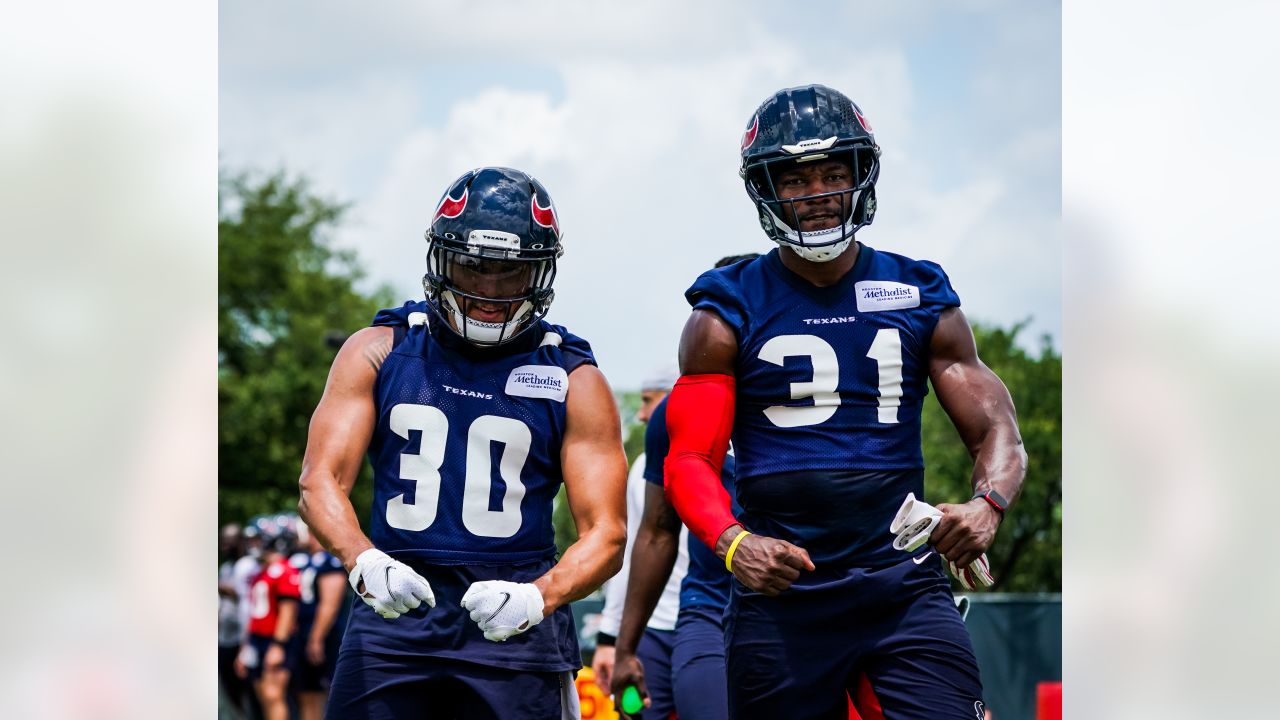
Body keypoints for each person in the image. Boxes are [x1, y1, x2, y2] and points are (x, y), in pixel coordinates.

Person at [663, 85, 1027, 719]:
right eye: (798, 180)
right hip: (785, 594)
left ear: (863, 176)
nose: (819, 194)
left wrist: (987, 506)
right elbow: (689, 458)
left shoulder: (916, 290)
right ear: (766, 189)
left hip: (902, 584)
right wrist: (730, 542)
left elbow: (998, 429)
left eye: (835, 174)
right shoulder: (726, 310)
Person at [297, 166, 628, 719]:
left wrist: (537, 598)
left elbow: (607, 534)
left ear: (540, 273)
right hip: (393, 615)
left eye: (510, 272)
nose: (489, 290)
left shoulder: (572, 377)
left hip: (515, 623)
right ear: (441, 260)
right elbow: (318, 481)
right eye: (473, 267)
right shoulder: (380, 350)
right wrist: (362, 560)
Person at [609, 255, 757, 720]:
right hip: (709, 606)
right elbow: (654, 534)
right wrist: (623, 646)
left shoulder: (822, 401)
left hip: (813, 603)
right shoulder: (676, 414)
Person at [591, 366, 686, 719]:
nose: (643, 413)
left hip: (709, 624)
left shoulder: (733, 456)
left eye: (649, 401)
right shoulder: (644, 467)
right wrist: (609, 640)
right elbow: (628, 556)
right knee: (635, 713)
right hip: (650, 634)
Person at [241, 517, 302, 720]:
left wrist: (278, 645)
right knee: (263, 696)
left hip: (274, 640)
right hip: (258, 639)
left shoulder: (284, 569)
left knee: (273, 695)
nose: (253, 545)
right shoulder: (262, 570)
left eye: (258, 539)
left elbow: (288, 611)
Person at [290, 522, 349, 720]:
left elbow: (329, 604)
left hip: (325, 635)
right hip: (302, 634)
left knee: (330, 692)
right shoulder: (304, 560)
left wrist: (316, 637)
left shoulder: (329, 560)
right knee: (306, 693)